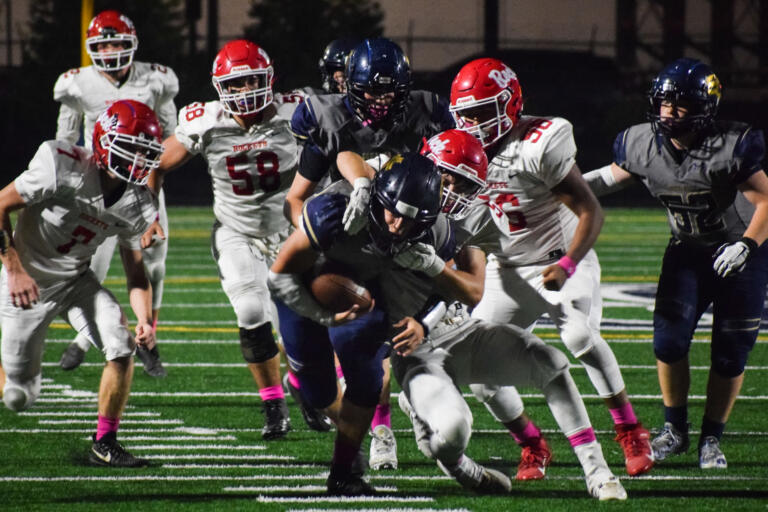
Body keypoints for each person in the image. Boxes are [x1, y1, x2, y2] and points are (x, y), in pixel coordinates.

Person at [386, 133, 627, 500]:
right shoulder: (384, 197)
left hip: (452, 327)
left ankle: (598, 471)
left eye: (465, 184)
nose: (453, 192)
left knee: (550, 362)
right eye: (448, 179)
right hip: (414, 351)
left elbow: (472, 289)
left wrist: (435, 274)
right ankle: (461, 466)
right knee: (450, 436)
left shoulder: (464, 216)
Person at [447, 57, 653, 478]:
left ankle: (630, 429)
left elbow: (588, 208)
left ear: (511, 104)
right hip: (507, 268)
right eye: (466, 115)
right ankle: (533, 445)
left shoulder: (541, 140)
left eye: (483, 112)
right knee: (480, 373)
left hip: (559, 261)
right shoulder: (457, 148)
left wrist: (568, 262)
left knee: (579, 334)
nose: (474, 125)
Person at [582, 57, 768, 469]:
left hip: (740, 252)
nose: (669, 111)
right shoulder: (641, 144)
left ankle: (711, 440)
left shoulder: (731, 145)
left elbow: (766, 200)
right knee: (668, 342)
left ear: (705, 106)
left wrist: (747, 248)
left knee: (730, 352)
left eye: (680, 103)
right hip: (687, 249)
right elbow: (604, 180)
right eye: (664, 102)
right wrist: (560, 189)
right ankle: (676, 432)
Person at [285, 37, 454, 470]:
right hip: (353, 240)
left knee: (415, 335)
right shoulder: (329, 122)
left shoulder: (428, 112)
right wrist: (318, 240)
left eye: (389, 92)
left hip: (409, 235)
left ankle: (417, 416)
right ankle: (381, 431)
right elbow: (296, 199)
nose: (380, 103)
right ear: (349, 88)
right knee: (368, 350)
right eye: (370, 92)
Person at [147, 39, 306, 440]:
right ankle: (274, 405)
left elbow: (337, 150)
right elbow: (155, 164)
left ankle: (308, 389)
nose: (242, 92)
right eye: (233, 85)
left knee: (302, 327)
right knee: (252, 312)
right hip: (237, 231)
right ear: (220, 88)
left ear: (268, 80)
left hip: (294, 232)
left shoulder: (299, 111)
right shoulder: (205, 121)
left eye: (250, 81)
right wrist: (148, 214)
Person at [268, 153, 444, 495]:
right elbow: (279, 278)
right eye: (393, 213)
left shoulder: (433, 230)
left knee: (367, 379)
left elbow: (457, 291)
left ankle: (343, 473)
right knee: (318, 389)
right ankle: (302, 384)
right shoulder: (333, 212)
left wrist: (423, 320)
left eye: (411, 221)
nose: (397, 227)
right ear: (378, 197)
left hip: (364, 293)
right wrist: (325, 317)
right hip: (304, 290)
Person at [0, 99, 163, 467]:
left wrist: (144, 320)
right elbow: (0, 205)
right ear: (105, 142)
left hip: (76, 281)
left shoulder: (139, 203)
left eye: (145, 152)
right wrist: (14, 270)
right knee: (19, 396)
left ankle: (105, 441)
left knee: (121, 345)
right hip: (27, 283)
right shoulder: (61, 165)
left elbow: (136, 274)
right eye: (131, 148)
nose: (138, 160)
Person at [53, 9, 179, 377]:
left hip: (144, 185)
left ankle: (148, 336)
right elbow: (64, 142)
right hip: (98, 183)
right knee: (95, 264)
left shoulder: (156, 80)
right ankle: (83, 338)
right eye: (102, 43)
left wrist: (153, 200)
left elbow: (168, 144)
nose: (110, 50)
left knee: (153, 264)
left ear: (132, 45)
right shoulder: (77, 84)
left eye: (117, 42)